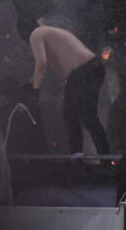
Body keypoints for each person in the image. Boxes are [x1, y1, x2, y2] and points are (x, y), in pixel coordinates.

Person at [27, 21, 110, 155]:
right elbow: (55, 66)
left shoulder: (36, 34)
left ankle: (78, 153)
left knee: (73, 113)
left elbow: (41, 63)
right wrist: (36, 77)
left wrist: (35, 91)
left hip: (83, 71)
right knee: (86, 115)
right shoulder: (52, 34)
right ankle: (103, 154)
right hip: (92, 68)